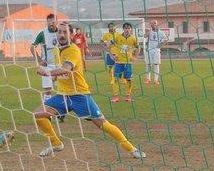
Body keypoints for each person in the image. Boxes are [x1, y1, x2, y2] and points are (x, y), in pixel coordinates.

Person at [33, 23, 145, 159]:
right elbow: (61, 72)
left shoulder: (73, 50)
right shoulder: (57, 50)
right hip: (63, 95)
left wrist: (47, 72)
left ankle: (131, 149)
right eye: (60, 32)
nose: (61, 35)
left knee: (103, 124)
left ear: (71, 35)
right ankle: (56, 144)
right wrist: (53, 77)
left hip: (79, 95)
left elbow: (66, 69)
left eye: (65, 32)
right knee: (39, 114)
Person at [30, 13, 60, 102]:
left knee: (62, 88)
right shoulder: (43, 33)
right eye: (49, 22)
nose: (51, 24)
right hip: (47, 65)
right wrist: (39, 60)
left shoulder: (61, 32)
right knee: (48, 90)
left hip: (60, 65)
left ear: (57, 22)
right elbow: (32, 47)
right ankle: (47, 107)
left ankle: (61, 107)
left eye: (53, 22)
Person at [110, 22, 139, 102]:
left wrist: (135, 57)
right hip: (118, 62)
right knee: (116, 79)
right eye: (126, 28)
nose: (127, 30)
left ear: (131, 29)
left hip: (128, 62)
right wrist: (112, 55)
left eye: (129, 28)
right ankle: (115, 96)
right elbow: (109, 45)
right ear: (123, 29)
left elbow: (138, 47)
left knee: (128, 79)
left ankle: (128, 96)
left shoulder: (133, 38)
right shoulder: (117, 37)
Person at [144, 20, 167, 85]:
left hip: (156, 50)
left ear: (156, 24)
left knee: (156, 64)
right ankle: (148, 79)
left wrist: (160, 45)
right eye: (151, 24)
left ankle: (156, 79)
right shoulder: (149, 31)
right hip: (149, 50)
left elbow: (165, 40)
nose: (152, 25)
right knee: (148, 64)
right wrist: (149, 31)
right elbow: (145, 36)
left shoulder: (160, 32)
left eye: (154, 24)